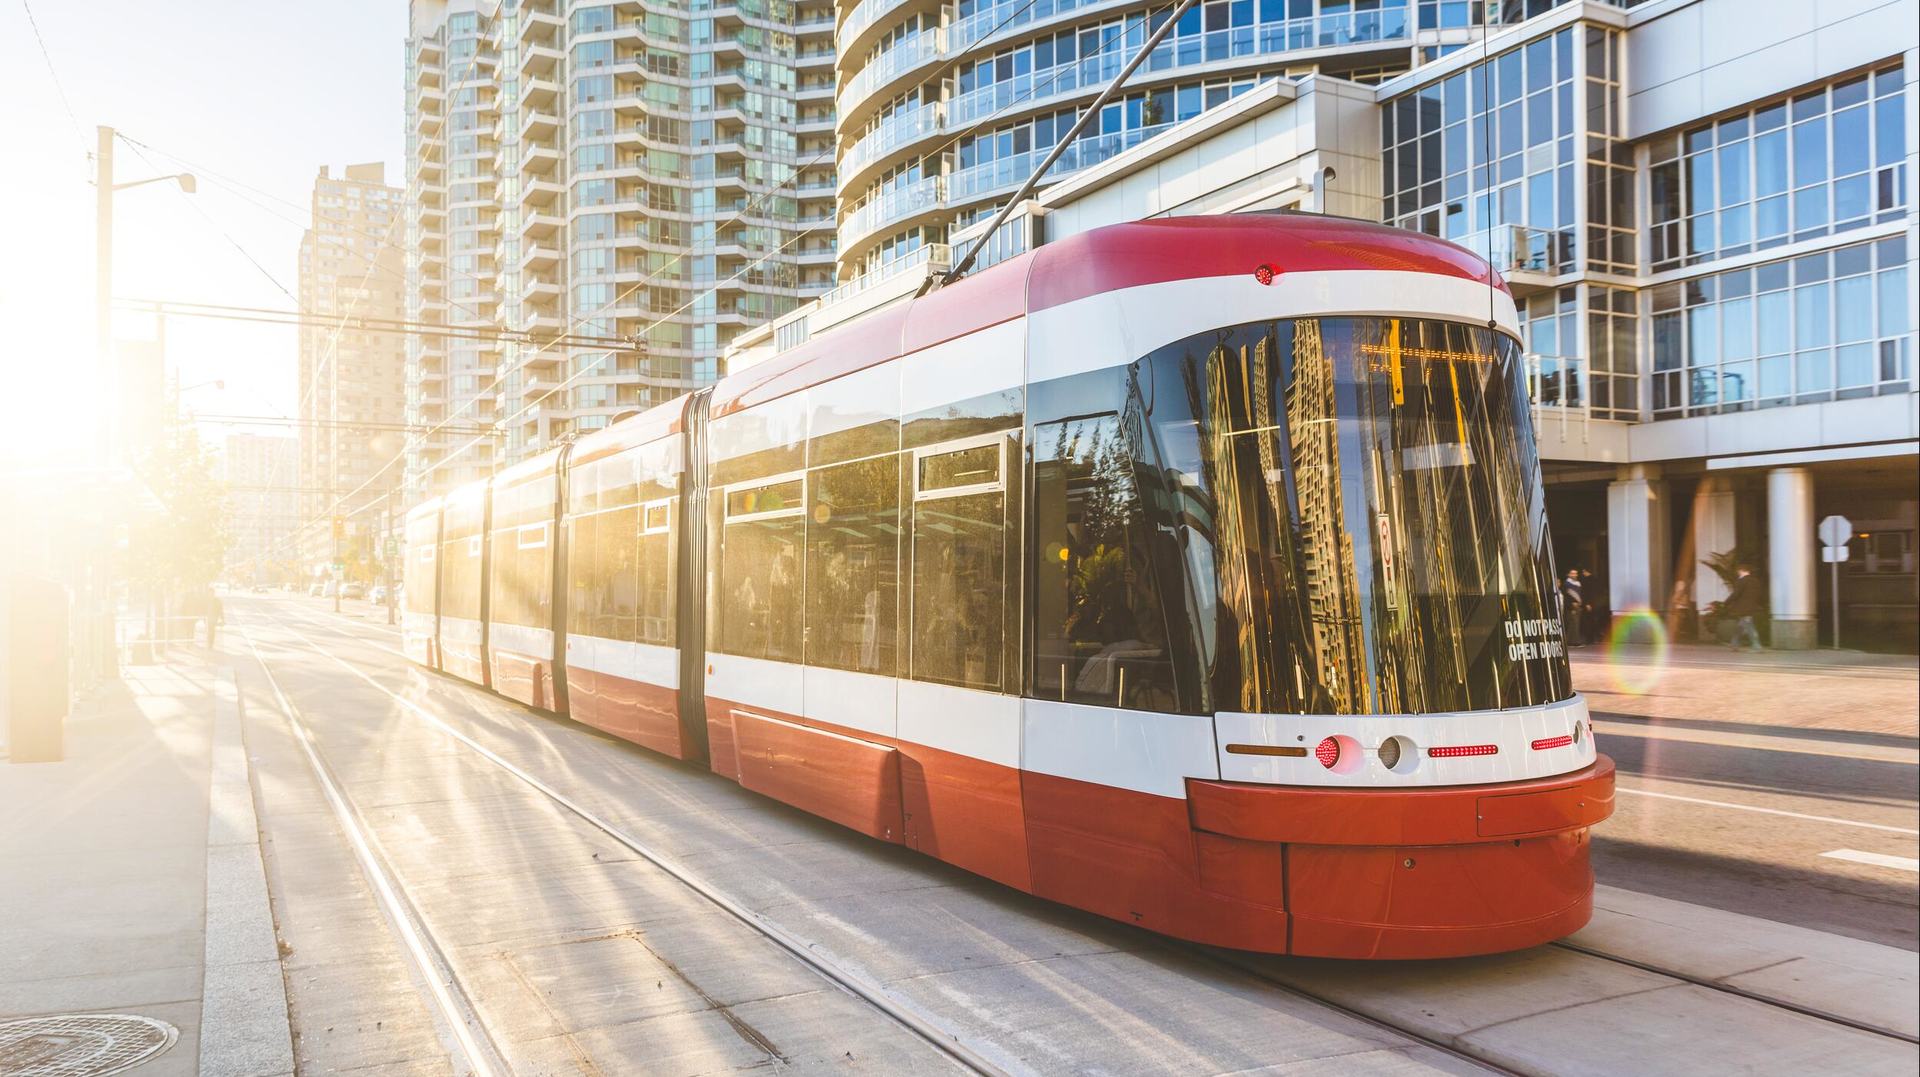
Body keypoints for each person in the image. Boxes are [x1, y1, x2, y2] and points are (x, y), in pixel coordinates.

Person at [1724, 564, 1764, 652]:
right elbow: (1759, 594)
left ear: (1740, 570)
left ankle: (1757, 646)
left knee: (1749, 626)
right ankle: (1734, 643)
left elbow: (1736, 594)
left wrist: (1727, 602)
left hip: (1743, 607)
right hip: (1752, 606)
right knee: (1741, 625)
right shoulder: (1755, 581)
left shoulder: (1741, 581)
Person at [1559, 568, 1585, 647]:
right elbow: (1566, 597)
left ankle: (1568, 640)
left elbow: (1580, 594)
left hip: (1578, 606)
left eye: (1576, 573)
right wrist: (1571, 607)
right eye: (1572, 573)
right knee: (1575, 624)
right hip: (1571, 608)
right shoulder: (1566, 584)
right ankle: (1575, 641)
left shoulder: (1578, 583)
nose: (1574, 575)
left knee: (1573, 624)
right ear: (1569, 574)